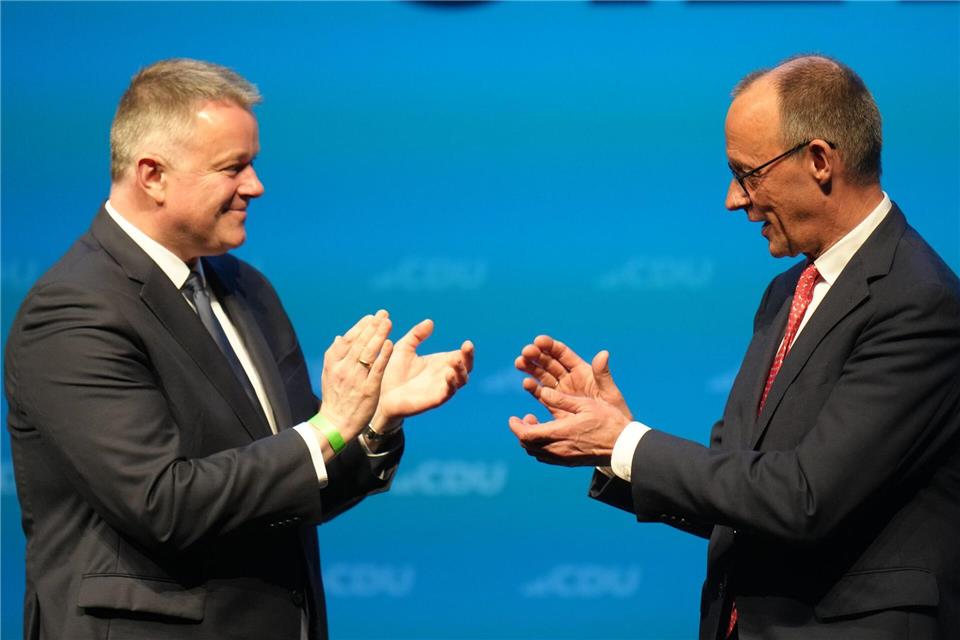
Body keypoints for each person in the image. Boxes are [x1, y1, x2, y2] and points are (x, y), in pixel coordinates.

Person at [4, 58, 474, 640]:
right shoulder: (74, 311)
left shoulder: (246, 288)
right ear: (152, 175)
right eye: (234, 167)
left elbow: (294, 483)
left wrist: (374, 420)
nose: (256, 185)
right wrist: (330, 426)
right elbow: (162, 505)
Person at [510, 55, 960, 639]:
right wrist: (611, 442)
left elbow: (804, 499)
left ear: (820, 160)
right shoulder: (785, 294)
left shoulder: (918, 302)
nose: (733, 198)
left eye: (748, 173)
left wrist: (628, 444)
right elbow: (739, 491)